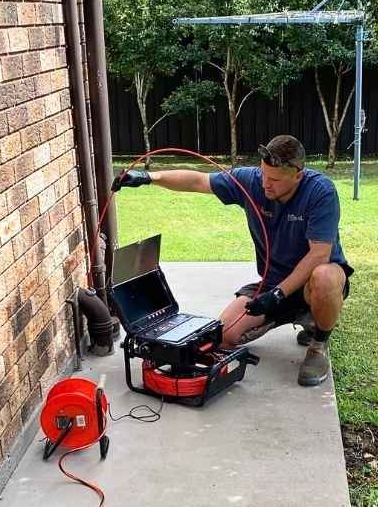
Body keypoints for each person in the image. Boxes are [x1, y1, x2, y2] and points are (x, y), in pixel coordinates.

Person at [111, 135, 353, 386]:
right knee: (222, 335)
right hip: (271, 285)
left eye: (275, 180)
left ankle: (319, 341)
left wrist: (279, 295)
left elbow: (319, 255)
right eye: (263, 175)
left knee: (324, 277)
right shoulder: (252, 182)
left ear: (298, 175)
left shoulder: (320, 192)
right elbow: (198, 181)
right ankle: (294, 316)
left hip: (311, 284)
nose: (266, 185)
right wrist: (149, 178)